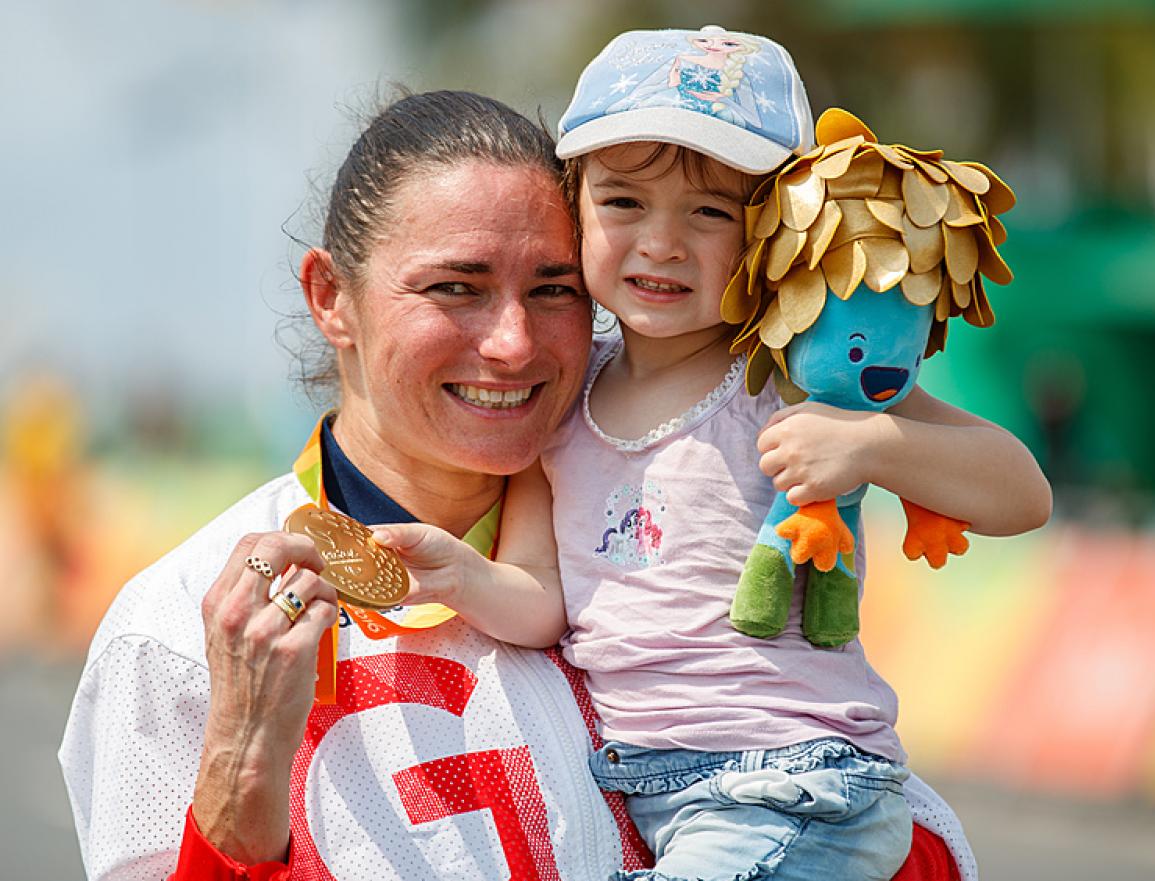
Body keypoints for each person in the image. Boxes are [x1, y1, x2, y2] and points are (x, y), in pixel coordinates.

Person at [60, 88, 981, 881]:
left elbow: (902, 833)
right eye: (456, 288)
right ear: (330, 297)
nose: (513, 343)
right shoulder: (179, 626)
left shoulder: (686, 500)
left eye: (555, 290)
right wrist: (241, 766)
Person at [371, 27, 1051, 881]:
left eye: (710, 212)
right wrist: (458, 576)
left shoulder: (789, 376)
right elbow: (543, 600)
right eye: (623, 203)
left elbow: (1020, 494)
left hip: (797, 786)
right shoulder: (564, 407)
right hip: (646, 792)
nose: (662, 242)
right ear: (574, 205)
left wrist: (873, 441)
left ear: (777, 233)